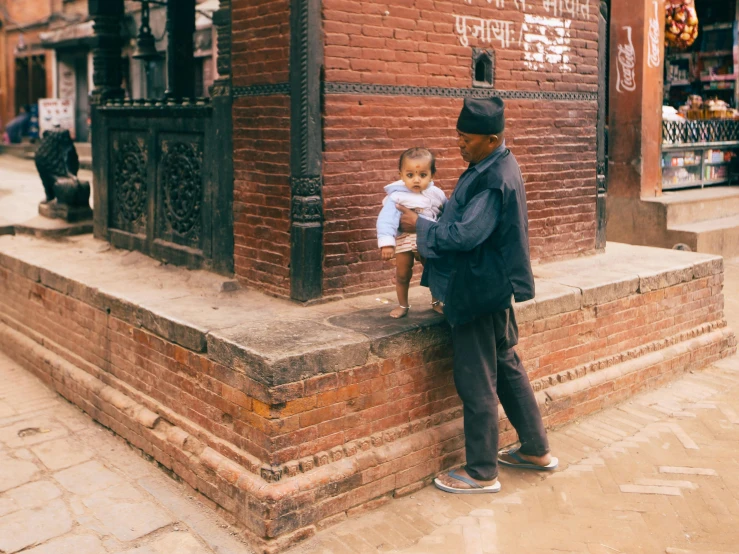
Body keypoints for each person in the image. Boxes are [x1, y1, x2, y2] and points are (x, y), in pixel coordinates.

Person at [397, 97, 557, 494]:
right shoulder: (495, 163)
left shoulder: (494, 177)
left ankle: (481, 471)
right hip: (493, 287)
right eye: (458, 136)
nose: (459, 145)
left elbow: (467, 235)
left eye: (466, 139)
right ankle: (536, 450)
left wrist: (420, 226)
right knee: (506, 365)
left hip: (477, 290)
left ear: (492, 138)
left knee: (477, 378)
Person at [376, 147, 447, 318]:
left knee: (433, 270)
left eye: (422, 175)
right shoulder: (397, 196)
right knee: (402, 273)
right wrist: (386, 242)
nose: (416, 180)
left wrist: (442, 232)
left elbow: (446, 212)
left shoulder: (437, 194)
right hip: (404, 239)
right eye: (410, 175)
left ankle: (437, 301)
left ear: (432, 175)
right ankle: (403, 304)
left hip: (427, 237)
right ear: (401, 175)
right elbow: (386, 219)